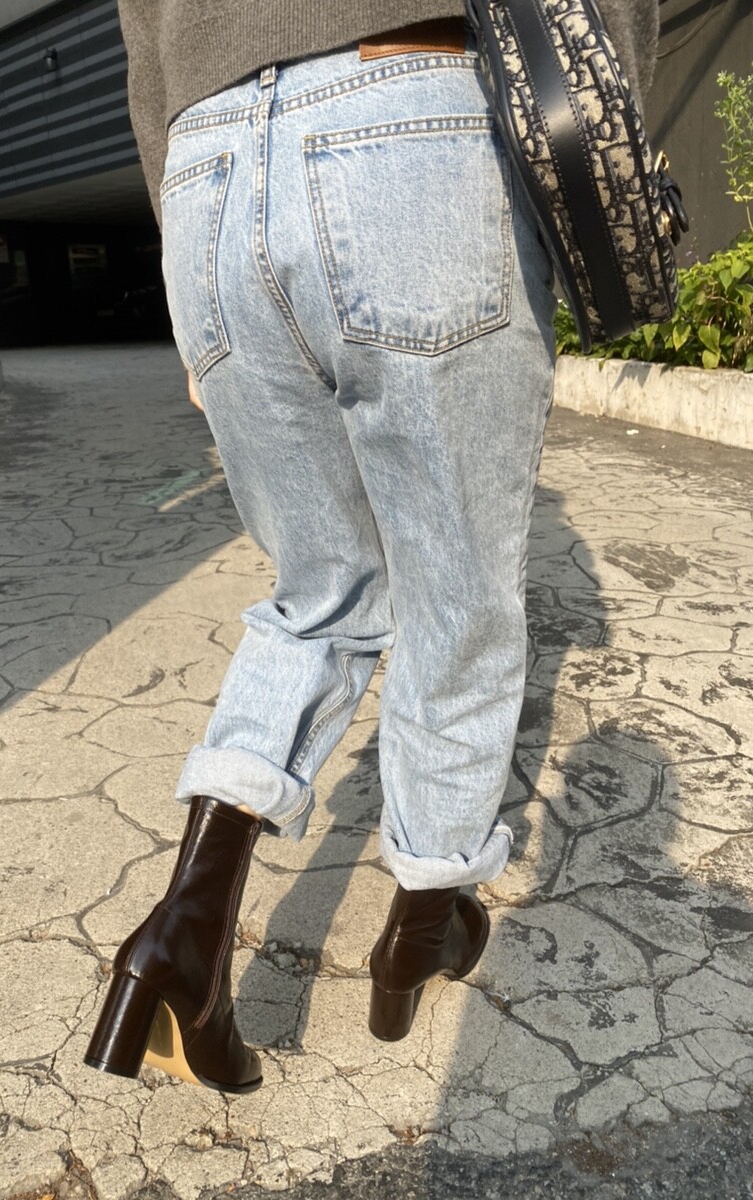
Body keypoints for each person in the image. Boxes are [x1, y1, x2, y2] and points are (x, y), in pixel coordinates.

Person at [84, 1, 659, 1094]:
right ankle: (422, 926)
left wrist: (186, 241)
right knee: (458, 595)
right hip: (409, 115)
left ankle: (183, 933)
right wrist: (605, 127)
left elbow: (142, 48)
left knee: (318, 594)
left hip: (205, 180)